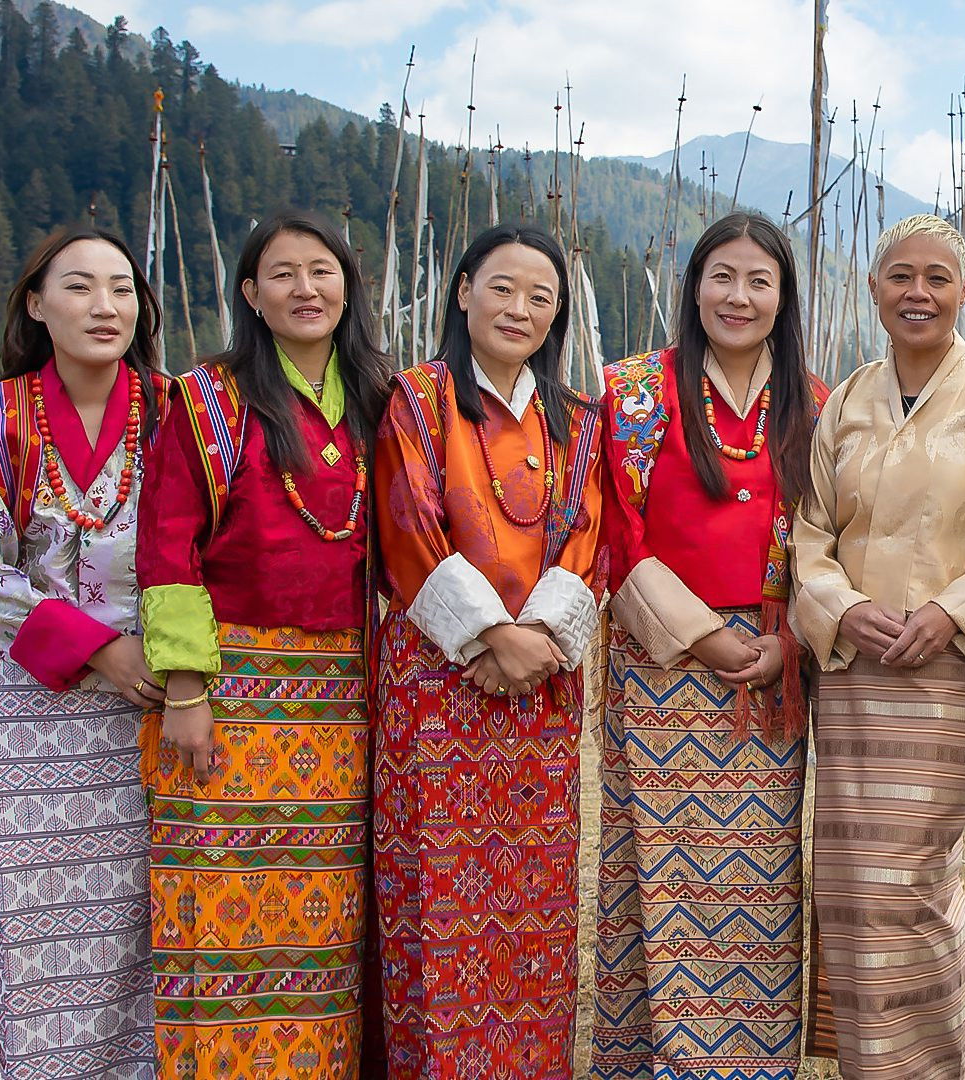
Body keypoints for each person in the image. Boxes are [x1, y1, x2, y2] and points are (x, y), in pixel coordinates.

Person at [138, 210, 392, 1078]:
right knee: (225, 910)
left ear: (348, 286)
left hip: (346, 701)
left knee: (328, 925)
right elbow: (168, 546)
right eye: (282, 274)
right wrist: (185, 690)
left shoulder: (380, 398)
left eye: (322, 271)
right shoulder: (207, 399)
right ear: (250, 294)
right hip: (231, 692)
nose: (305, 290)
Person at [790, 213, 965, 1078]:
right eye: (900, 276)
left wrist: (959, 609)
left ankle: (926, 1066)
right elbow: (809, 532)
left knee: (914, 880)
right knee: (852, 886)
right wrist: (842, 608)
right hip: (854, 673)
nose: (918, 293)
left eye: (937, 277)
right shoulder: (845, 401)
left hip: (952, 672)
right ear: (873, 288)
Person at [590, 211, 824, 1080]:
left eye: (760, 281)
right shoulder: (638, 392)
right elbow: (615, 529)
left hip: (769, 672)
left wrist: (789, 634)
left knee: (758, 883)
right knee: (654, 876)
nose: (739, 296)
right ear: (694, 287)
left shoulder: (814, 401)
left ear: (782, 296)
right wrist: (699, 637)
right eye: (722, 276)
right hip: (662, 670)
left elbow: (829, 537)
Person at [370, 224, 604, 1079]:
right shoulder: (416, 399)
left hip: (539, 686)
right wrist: (488, 635)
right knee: (435, 900)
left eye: (541, 297)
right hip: (439, 682)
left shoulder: (576, 418)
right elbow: (408, 523)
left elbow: (589, 535)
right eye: (502, 288)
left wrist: (537, 636)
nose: (519, 309)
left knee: (533, 904)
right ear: (462, 290)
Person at [0, 227, 166, 1080]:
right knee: (43, 941)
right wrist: (99, 649)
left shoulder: (175, 409)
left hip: (154, 709)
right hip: (37, 717)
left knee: (146, 937)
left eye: (121, 287)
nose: (104, 306)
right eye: (79, 287)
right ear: (37, 305)